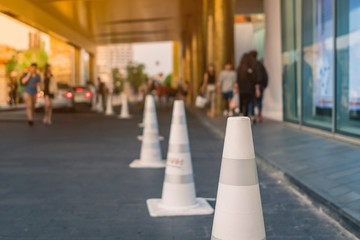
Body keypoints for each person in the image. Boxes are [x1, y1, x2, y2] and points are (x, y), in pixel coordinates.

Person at [249, 51, 268, 122]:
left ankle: (253, 116)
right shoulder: (260, 64)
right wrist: (264, 85)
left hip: (252, 86)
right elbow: (265, 75)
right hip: (260, 85)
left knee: (252, 101)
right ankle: (259, 114)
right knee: (259, 101)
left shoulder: (250, 65)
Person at [237, 54, 257, 120]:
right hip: (249, 88)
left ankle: (242, 115)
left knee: (242, 102)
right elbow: (254, 78)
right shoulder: (251, 68)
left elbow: (238, 79)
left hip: (242, 88)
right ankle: (250, 116)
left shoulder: (240, 68)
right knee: (248, 103)